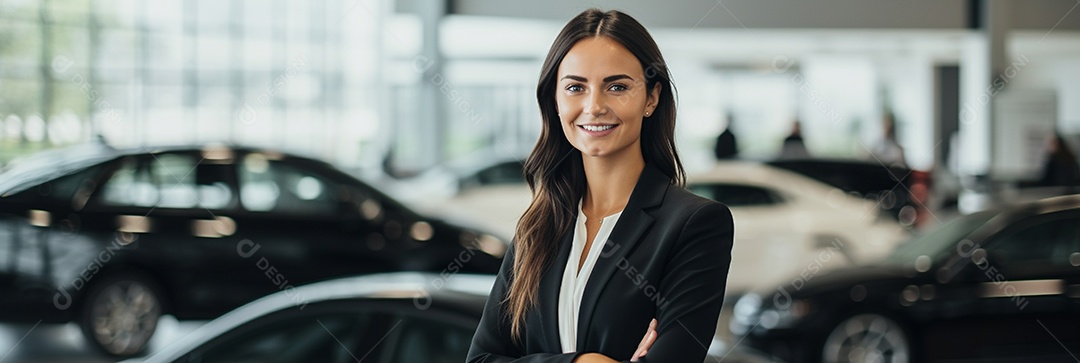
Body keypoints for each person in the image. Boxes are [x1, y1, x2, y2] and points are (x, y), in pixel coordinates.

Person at [467, 9, 734, 363]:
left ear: (651, 98)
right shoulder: (540, 224)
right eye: (576, 87)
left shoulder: (695, 224)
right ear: (556, 100)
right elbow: (481, 359)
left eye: (617, 87)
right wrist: (583, 361)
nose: (594, 106)